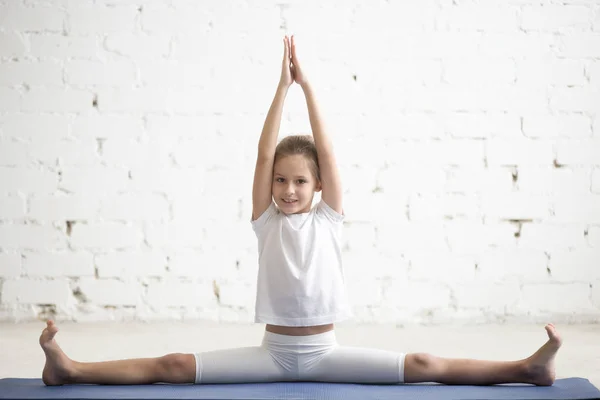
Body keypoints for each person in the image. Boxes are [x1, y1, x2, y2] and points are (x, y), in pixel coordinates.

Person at [39, 35, 562, 387]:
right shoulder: (265, 221)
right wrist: (278, 89)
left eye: (300, 181)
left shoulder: (327, 219)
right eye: (281, 181)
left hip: (328, 353)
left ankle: (526, 367)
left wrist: (307, 87)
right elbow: (263, 154)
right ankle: (70, 369)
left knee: (425, 363)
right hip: (270, 354)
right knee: (173, 364)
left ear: (317, 187)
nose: (289, 188)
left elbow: (329, 155)